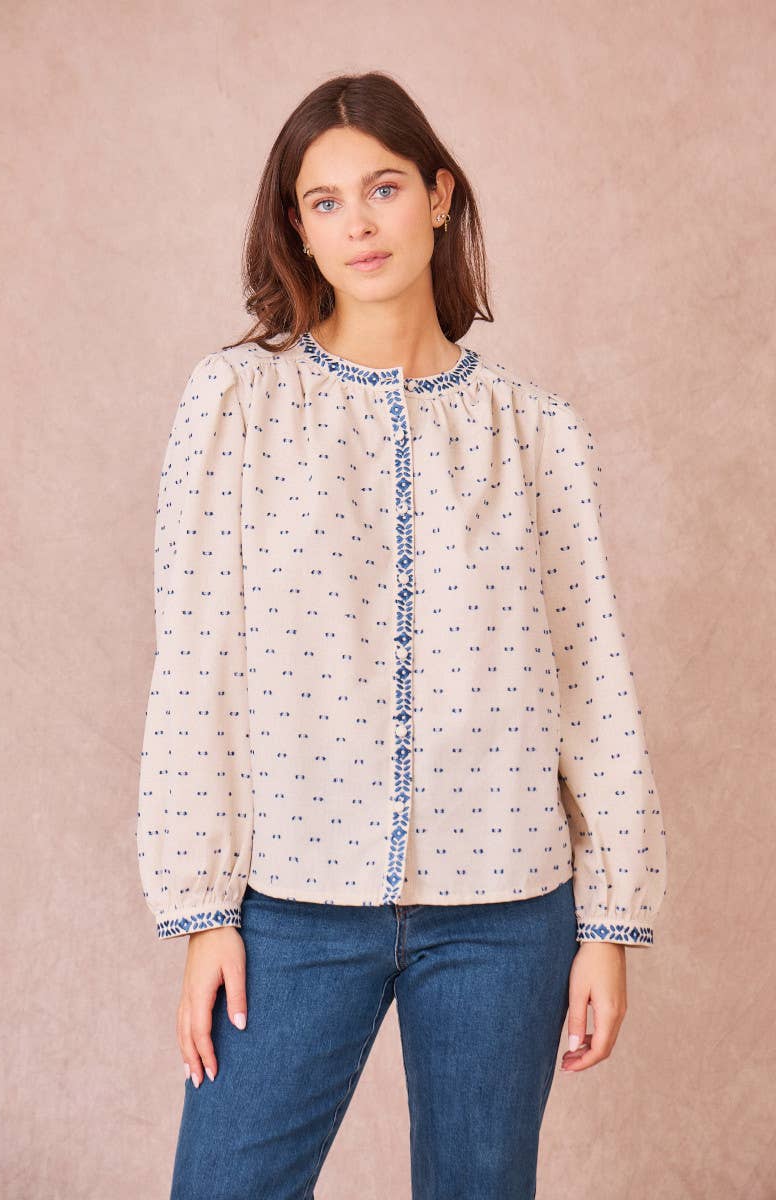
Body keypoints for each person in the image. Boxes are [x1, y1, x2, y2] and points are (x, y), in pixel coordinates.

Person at [136, 70, 668, 1200]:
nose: (358, 223)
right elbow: (195, 666)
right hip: (291, 904)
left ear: (438, 195)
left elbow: (590, 681)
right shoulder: (237, 403)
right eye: (323, 202)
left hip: (506, 914)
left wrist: (611, 923)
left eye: (381, 188)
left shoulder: (537, 432)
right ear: (297, 229)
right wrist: (203, 912)